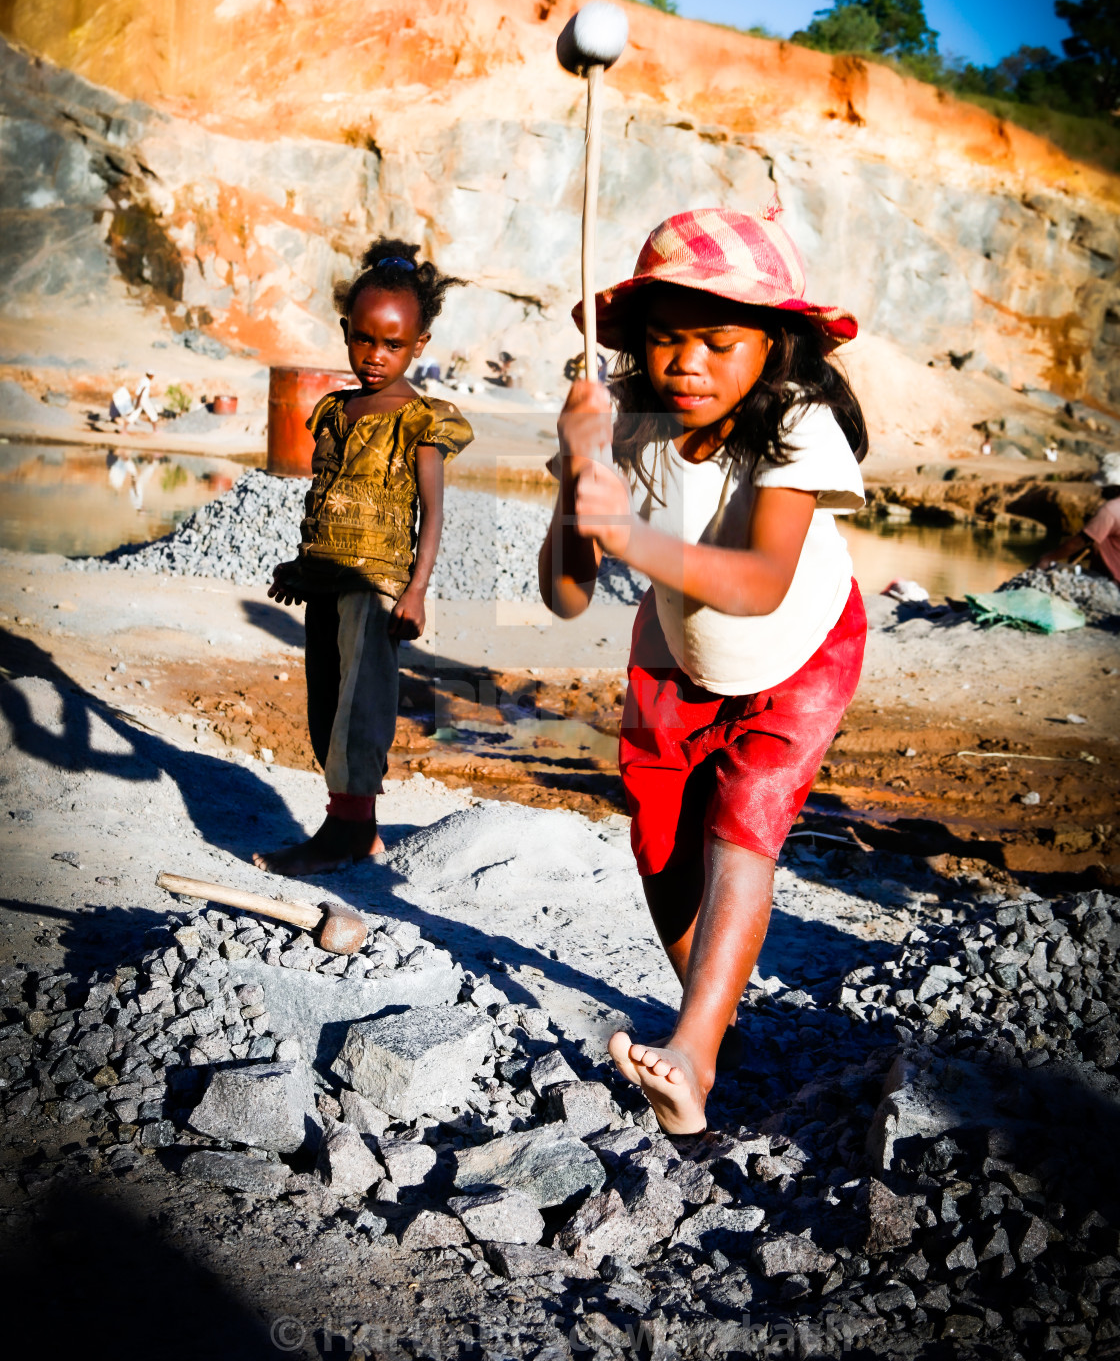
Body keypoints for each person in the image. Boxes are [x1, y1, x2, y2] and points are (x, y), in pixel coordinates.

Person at [539, 206, 868, 1137]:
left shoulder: (798, 424)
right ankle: (713, 1019)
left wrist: (630, 535)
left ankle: (692, 1054)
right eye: (665, 342)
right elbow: (567, 595)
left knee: (744, 822)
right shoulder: (627, 422)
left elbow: (762, 585)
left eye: (719, 342)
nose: (688, 365)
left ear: (776, 345)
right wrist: (576, 474)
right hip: (682, 649)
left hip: (796, 645)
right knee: (660, 839)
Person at [254, 241, 473, 876]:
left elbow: (432, 512)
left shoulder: (419, 420)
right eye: (365, 341)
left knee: (362, 706)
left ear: (419, 346)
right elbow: (325, 497)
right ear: (347, 332)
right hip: (327, 581)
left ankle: (341, 835)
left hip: (379, 587)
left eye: (393, 345)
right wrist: (302, 567)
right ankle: (359, 829)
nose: (376, 356)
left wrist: (417, 588)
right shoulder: (337, 410)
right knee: (326, 702)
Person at [1037, 490, 1120, 584]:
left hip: (1113, 583)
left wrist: (1047, 559)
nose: (1101, 489)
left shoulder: (1110, 510)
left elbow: (1081, 541)